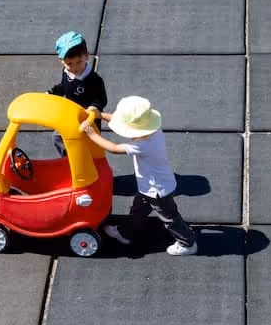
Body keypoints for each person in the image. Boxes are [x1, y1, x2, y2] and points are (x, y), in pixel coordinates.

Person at [80, 95, 198, 256]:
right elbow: (115, 119)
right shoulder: (154, 130)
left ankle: (188, 242)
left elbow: (114, 148)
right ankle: (125, 233)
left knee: (169, 218)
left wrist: (92, 135)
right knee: (138, 210)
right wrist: (100, 114)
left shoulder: (143, 145)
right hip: (150, 186)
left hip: (158, 191)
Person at [48, 31, 107, 156]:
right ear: (61, 61)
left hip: (88, 121)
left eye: (79, 62)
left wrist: (94, 107)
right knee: (58, 137)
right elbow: (64, 87)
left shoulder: (93, 79)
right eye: (69, 64)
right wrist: (52, 92)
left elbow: (101, 99)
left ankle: (93, 163)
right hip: (71, 116)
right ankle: (69, 160)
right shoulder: (66, 72)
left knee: (91, 145)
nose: (75, 67)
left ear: (86, 56)